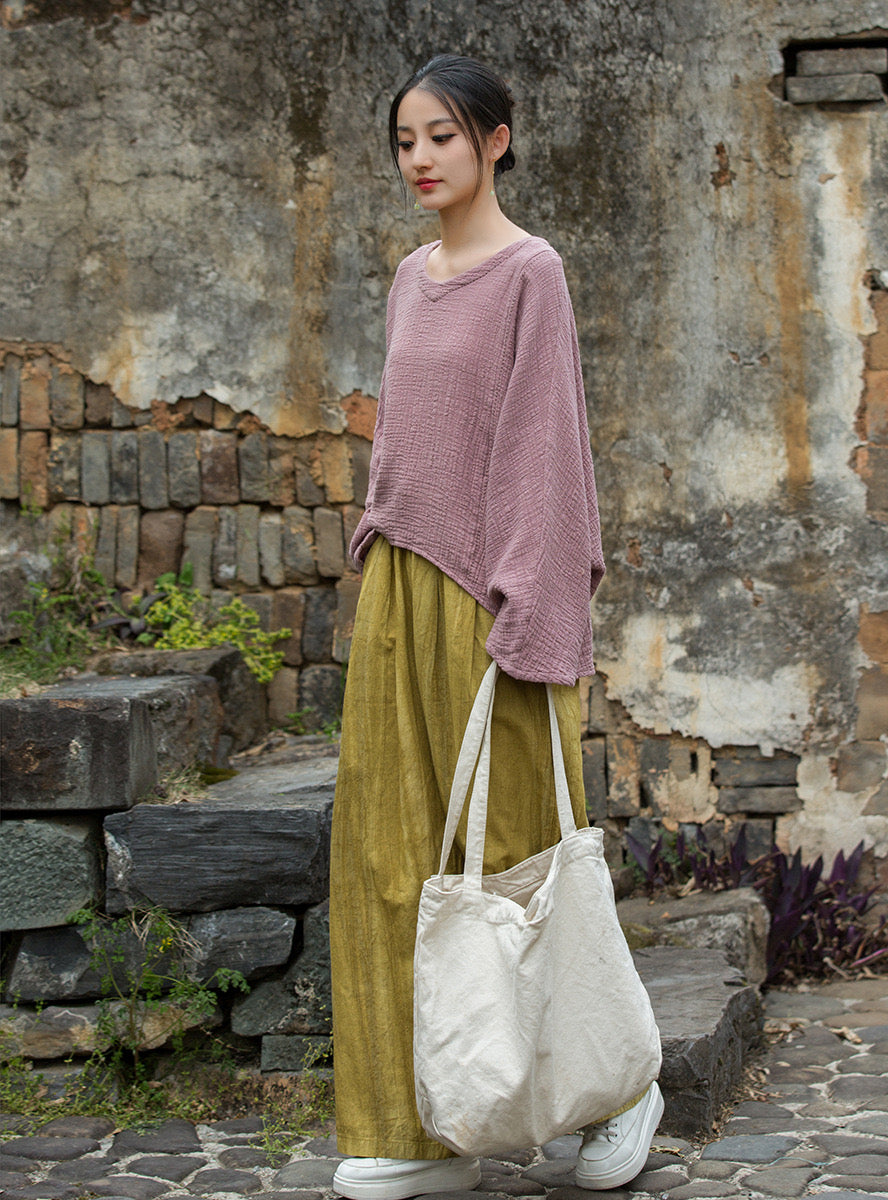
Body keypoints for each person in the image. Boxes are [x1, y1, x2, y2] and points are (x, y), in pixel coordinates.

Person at [329, 54, 663, 1200]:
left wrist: (529, 609)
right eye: (405, 141)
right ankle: (416, 1130)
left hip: (493, 598)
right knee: (389, 858)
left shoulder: (532, 273)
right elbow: (407, 443)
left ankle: (619, 1090)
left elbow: (542, 449)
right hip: (399, 591)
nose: (420, 159)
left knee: (525, 850)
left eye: (442, 136)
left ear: (496, 141)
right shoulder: (407, 279)